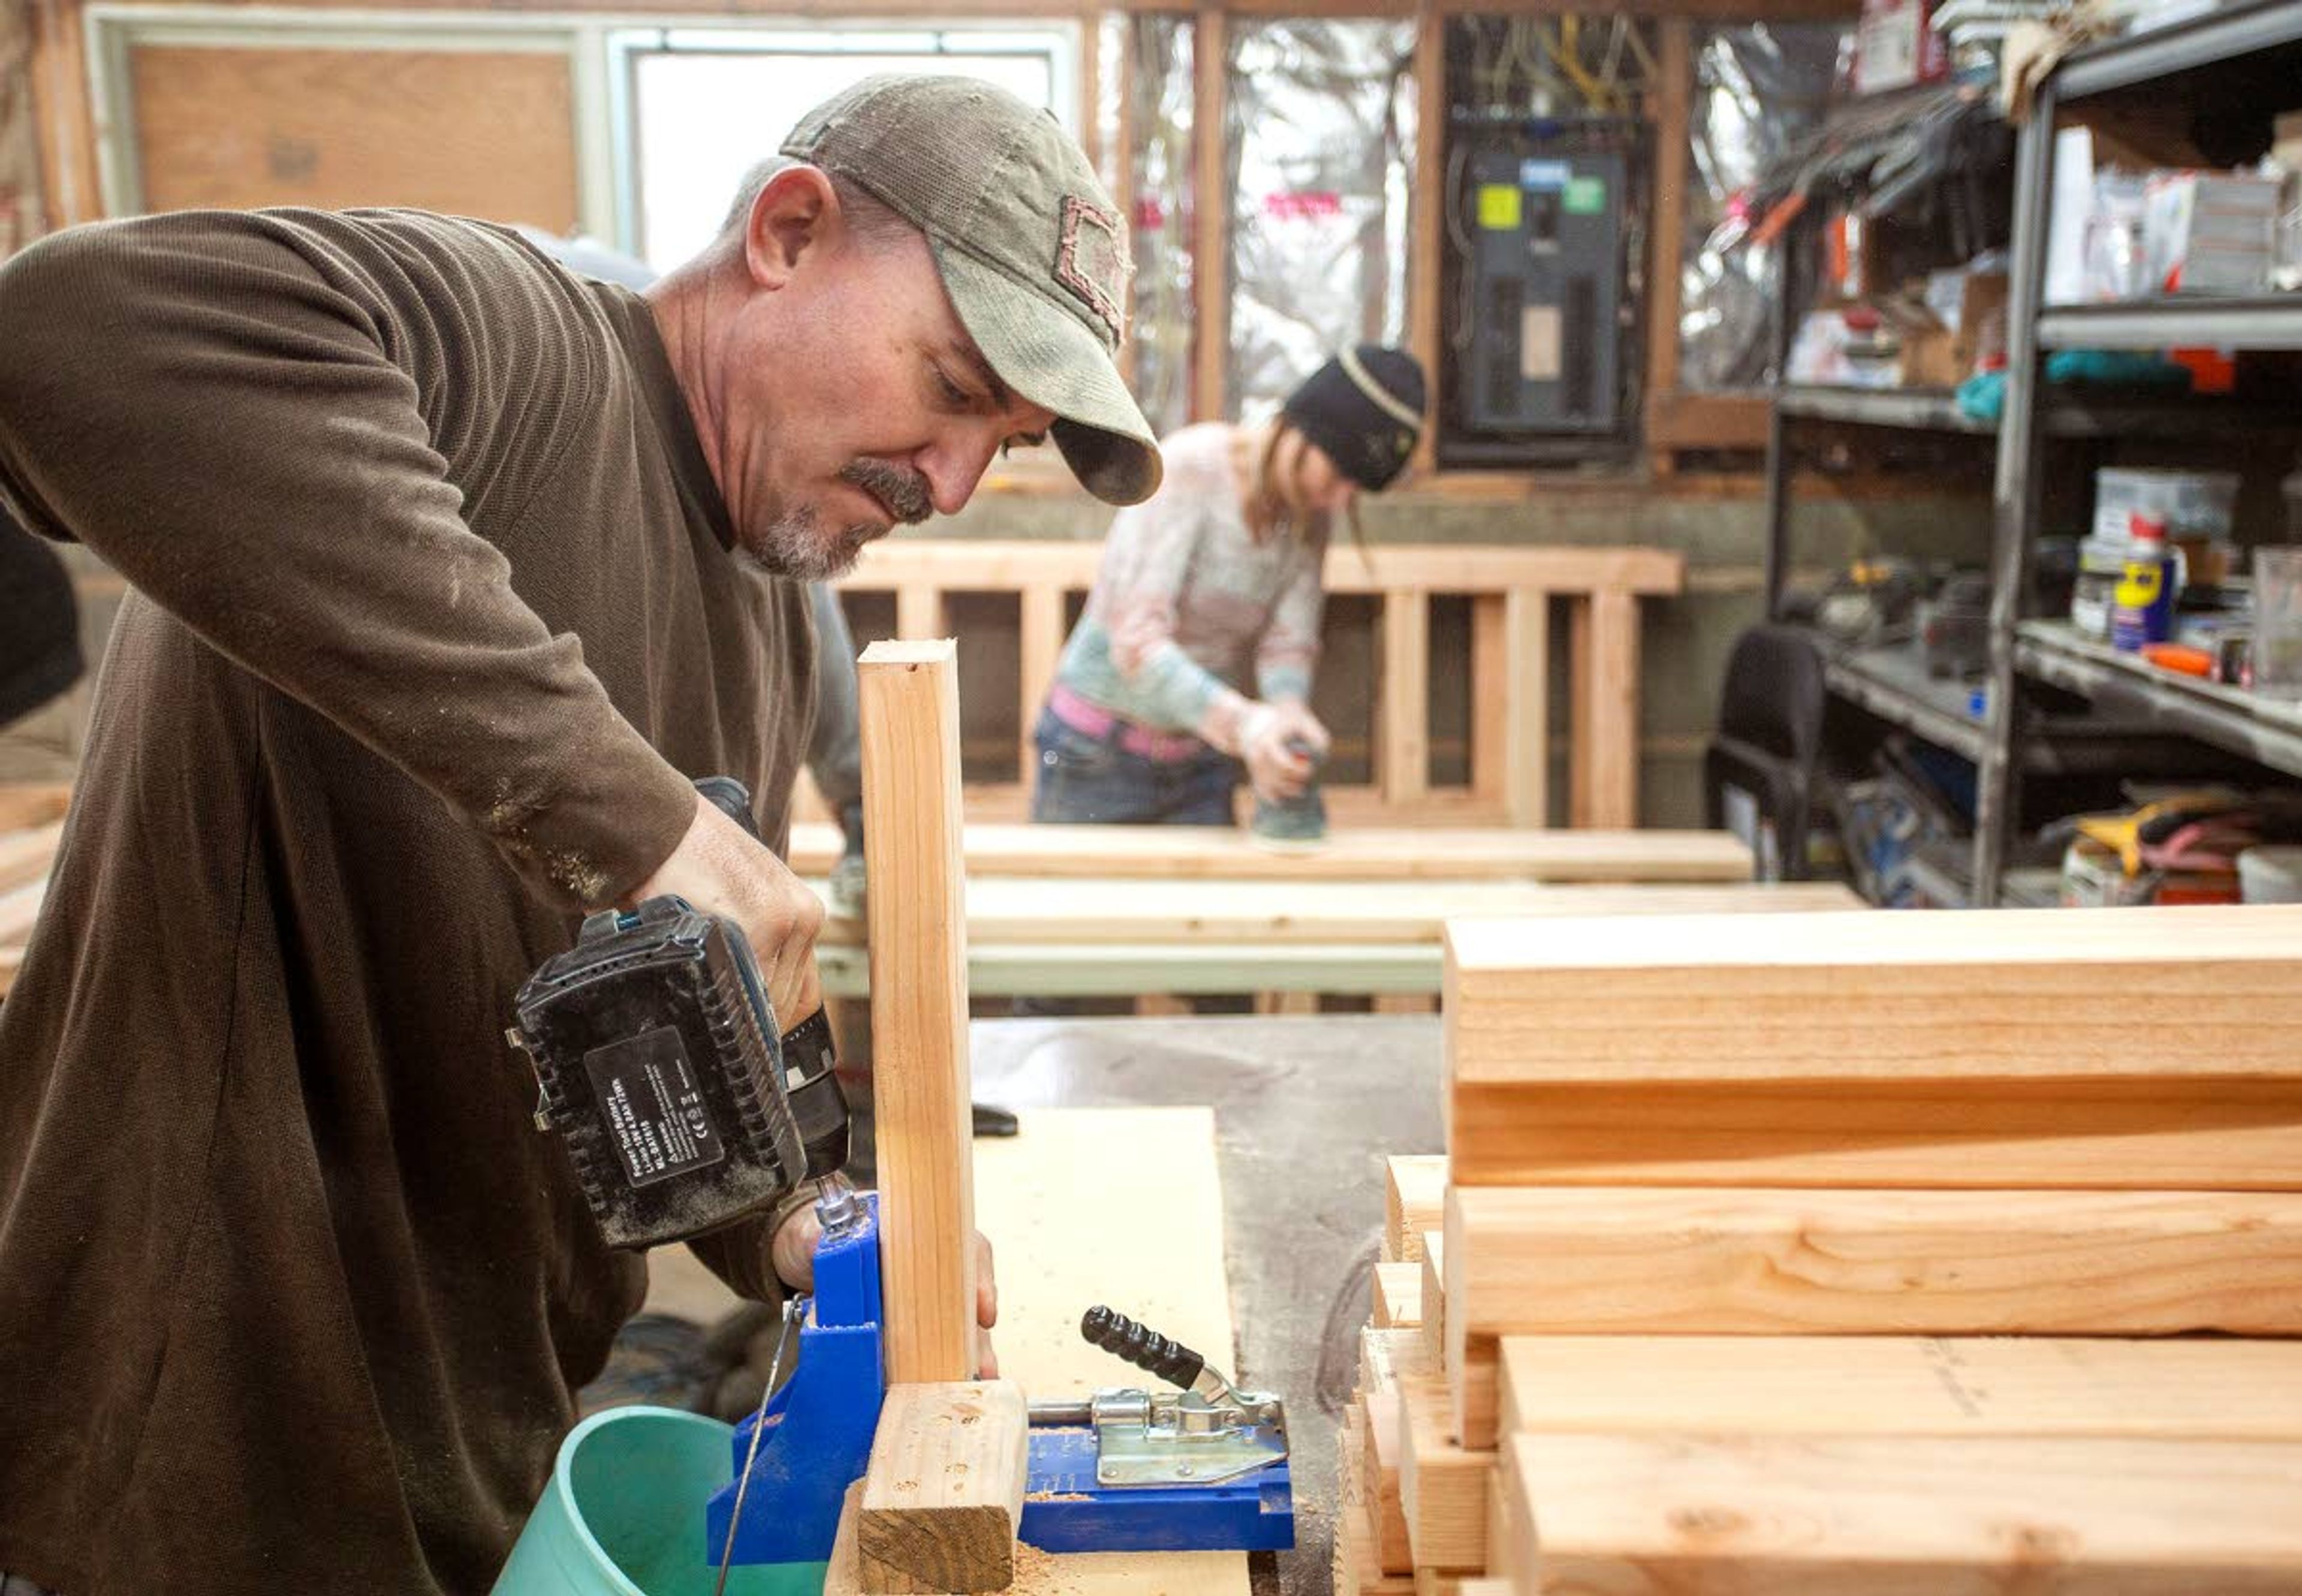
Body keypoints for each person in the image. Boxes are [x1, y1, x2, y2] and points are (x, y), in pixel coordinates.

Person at [0, 73, 1158, 1596]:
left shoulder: (763, 604)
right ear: (788, 232)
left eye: (992, 446)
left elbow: (643, 1034)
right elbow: (60, 335)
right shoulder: (517, 350)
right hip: (180, 1473)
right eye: (950, 387)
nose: (944, 484)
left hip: (466, 1467)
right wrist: (640, 820)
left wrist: (799, 1221)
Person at [1032, 345, 1425, 829]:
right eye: (1341, 472)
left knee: (1200, 909)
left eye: (1358, 489)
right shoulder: (1191, 468)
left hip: (1201, 762)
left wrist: (1287, 713)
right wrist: (1248, 726)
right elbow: (1135, 644)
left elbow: (1288, 644)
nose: (1341, 498)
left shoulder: (1311, 515)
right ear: (1303, 430)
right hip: (1093, 754)